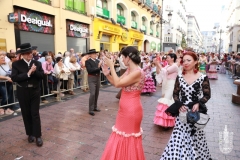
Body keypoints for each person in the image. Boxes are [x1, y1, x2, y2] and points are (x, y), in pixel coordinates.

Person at [160, 51, 211, 159]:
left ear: (195, 62)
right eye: (184, 60)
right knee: (178, 137)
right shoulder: (179, 77)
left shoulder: (202, 77)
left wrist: (199, 103)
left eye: (189, 60)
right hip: (182, 113)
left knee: (196, 137)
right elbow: (175, 94)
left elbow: (207, 95)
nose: (186, 63)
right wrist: (179, 104)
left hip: (194, 113)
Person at [101, 46, 145, 160]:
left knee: (128, 139)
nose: (122, 60)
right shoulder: (130, 71)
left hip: (132, 111)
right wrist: (107, 74)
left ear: (128, 58)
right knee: (121, 136)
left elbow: (117, 84)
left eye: (122, 57)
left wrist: (111, 65)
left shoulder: (138, 72)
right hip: (124, 110)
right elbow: (118, 82)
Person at [11, 43, 44, 147]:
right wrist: (29, 73)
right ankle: (30, 134)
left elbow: (42, 75)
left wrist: (34, 72)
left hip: (34, 91)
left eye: (31, 52)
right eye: (28, 53)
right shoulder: (16, 64)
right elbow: (14, 78)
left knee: (35, 113)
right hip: (23, 91)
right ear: (23, 54)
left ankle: (38, 135)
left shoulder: (37, 63)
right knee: (26, 113)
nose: (30, 55)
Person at [153, 53, 178, 128]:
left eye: (168, 57)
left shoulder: (175, 66)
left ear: (173, 58)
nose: (166, 59)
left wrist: (158, 63)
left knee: (167, 101)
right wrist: (157, 65)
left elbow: (165, 71)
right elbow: (160, 72)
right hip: (165, 84)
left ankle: (167, 122)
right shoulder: (167, 66)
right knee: (164, 99)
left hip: (171, 84)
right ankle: (163, 121)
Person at [85, 49, 102, 116]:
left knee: (96, 93)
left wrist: (103, 66)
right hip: (91, 78)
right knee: (92, 93)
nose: (95, 55)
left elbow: (100, 69)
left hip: (97, 78)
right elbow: (90, 70)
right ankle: (90, 109)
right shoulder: (87, 62)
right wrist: (98, 67)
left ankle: (95, 107)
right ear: (90, 55)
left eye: (95, 53)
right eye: (94, 54)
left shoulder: (98, 61)